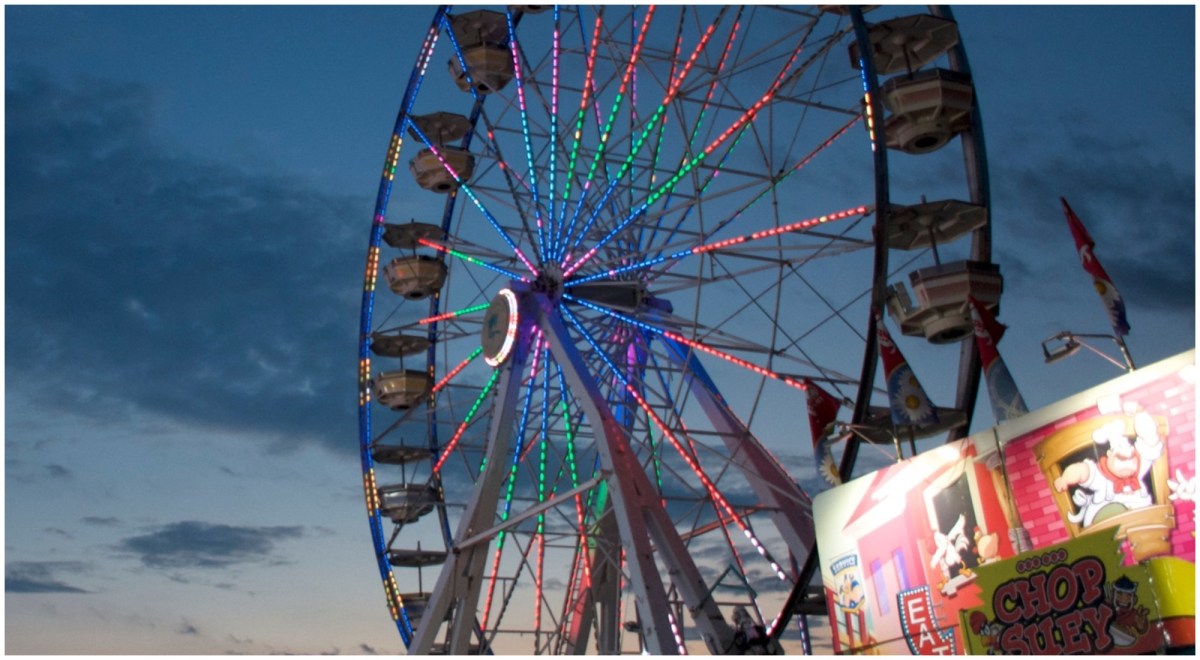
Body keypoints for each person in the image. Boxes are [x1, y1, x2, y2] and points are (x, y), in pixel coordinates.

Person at [1053, 404, 1163, 528]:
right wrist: (1065, 479)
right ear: (1110, 455)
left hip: (1143, 526)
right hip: (1104, 529)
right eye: (1121, 460)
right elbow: (1081, 470)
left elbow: (1151, 440)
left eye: (1130, 459)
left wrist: (1140, 413)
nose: (1127, 464)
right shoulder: (1099, 474)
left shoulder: (1140, 465)